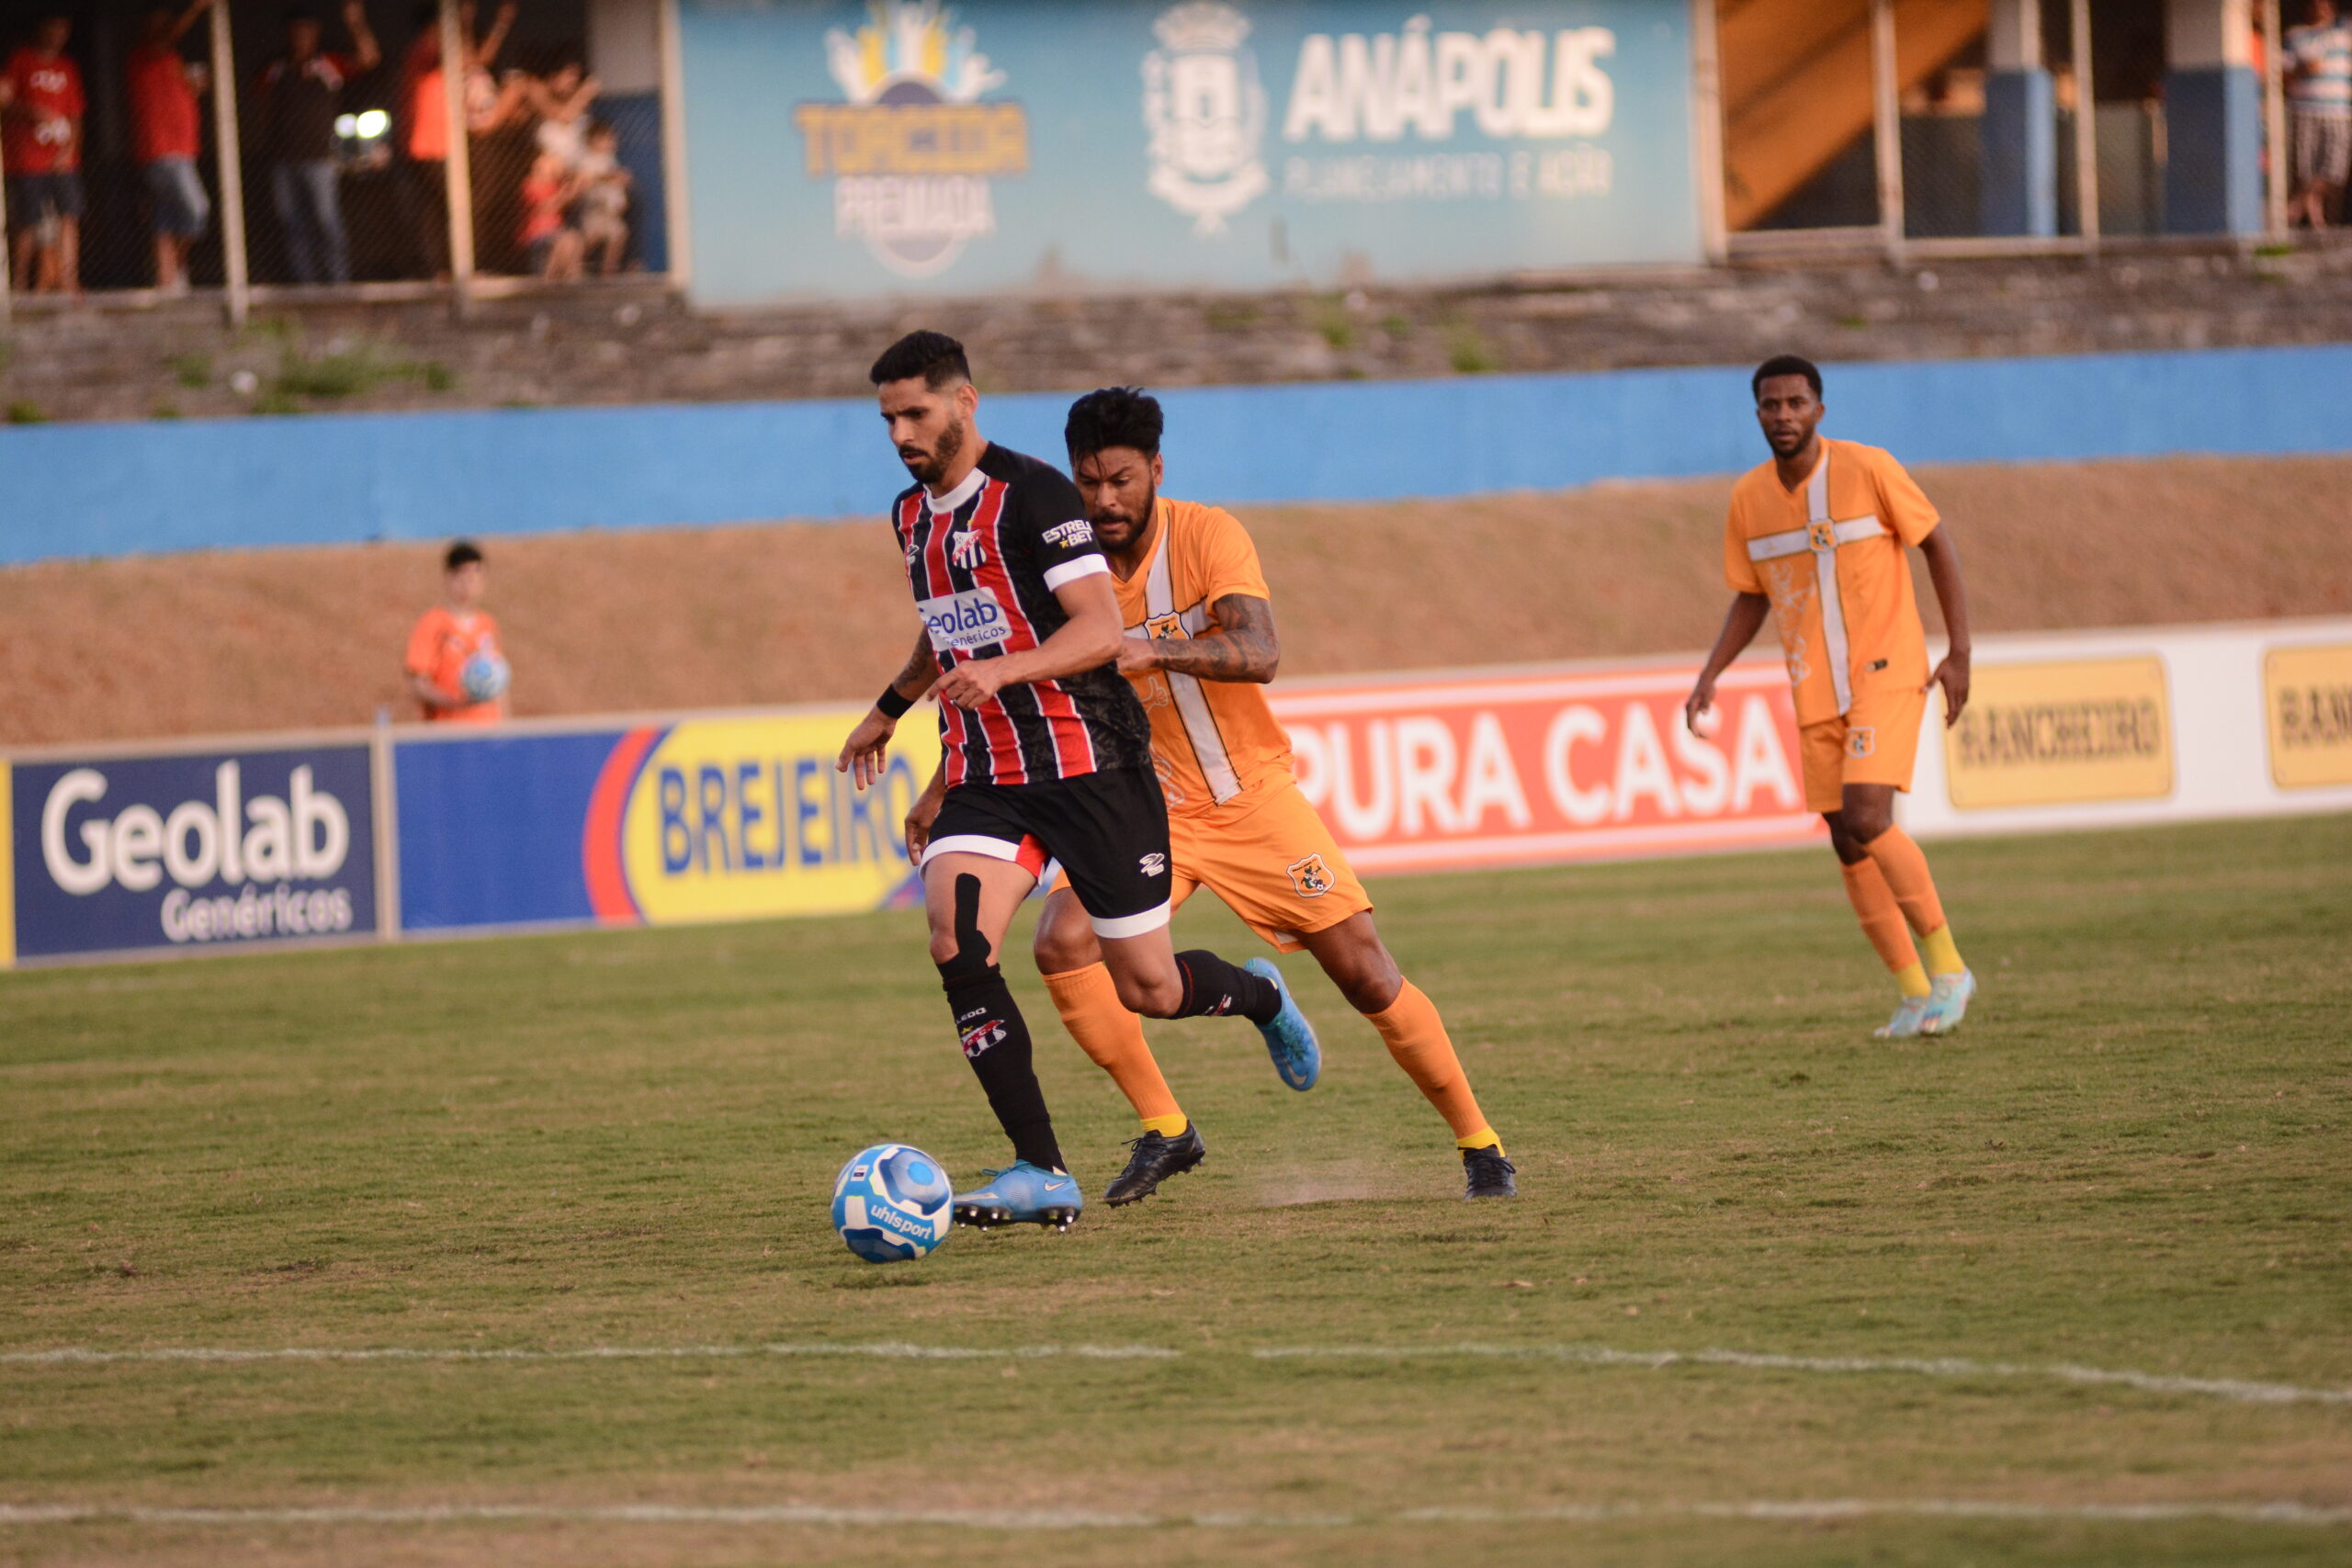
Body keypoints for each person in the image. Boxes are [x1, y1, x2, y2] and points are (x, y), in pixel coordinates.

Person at [920, 386, 1514, 1205]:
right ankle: (1168, 1127)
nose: (1104, 500)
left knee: (1368, 975)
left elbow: (1261, 650)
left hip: (1253, 798)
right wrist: (940, 782)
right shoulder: (1061, 566)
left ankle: (1481, 1145)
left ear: (1156, 468)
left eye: (1122, 479)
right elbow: (1010, 683)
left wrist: (1147, 648)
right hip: (1143, 807)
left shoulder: (1206, 536)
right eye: (1088, 482)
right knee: (1061, 942)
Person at [835, 332, 1322, 1234]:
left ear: (964, 402)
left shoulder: (1037, 496)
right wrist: (891, 707)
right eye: (888, 418)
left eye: (916, 412)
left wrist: (1009, 671)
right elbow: (946, 627)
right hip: (991, 776)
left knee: (1148, 988)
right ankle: (1041, 1169)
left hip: (1095, 766)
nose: (901, 432)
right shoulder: (911, 516)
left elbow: (1098, 629)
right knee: (954, 940)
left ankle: (1258, 994)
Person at [1686, 355, 1977, 1041]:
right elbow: (1751, 595)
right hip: (1814, 685)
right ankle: (1912, 991)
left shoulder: (1869, 468)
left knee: (1868, 814)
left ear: (1820, 408)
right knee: (1846, 840)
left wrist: (1959, 649)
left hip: (1887, 670)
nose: (1783, 415)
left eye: (1795, 402)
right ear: (1756, 413)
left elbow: (1936, 543)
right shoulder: (1749, 499)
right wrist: (1711, 673)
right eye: (1770, 405)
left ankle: (1951, 968)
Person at [256, 0, 380, 285]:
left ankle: (338, 282)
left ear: (315, 33)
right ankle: (307, 285)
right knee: (293, 226)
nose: (301, 36)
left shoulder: (328, 64)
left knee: (327, 223)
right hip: (283, 160)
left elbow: (369, 59)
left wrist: (356, 23)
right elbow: (261, 106)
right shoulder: (276, 68)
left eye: (306, 30)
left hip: (320, 158)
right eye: (296, 30)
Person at [397, 0, 521, 278]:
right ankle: (460, 268)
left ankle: (440, 270)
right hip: (429, 143)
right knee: (463, 202)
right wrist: (483, 23)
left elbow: (473, 59)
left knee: (436, 208)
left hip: (438, 142)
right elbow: (473, 59)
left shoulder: (428, 52)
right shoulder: (425, 50)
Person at [126, 0, 216, 295]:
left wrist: (196, 86)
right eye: (158, 24)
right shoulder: (143, 56)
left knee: (165, 219)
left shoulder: (174, 60)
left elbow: (188, 88)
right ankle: (176, 269)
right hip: (161, 151)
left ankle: (166, 280)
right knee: (197, 209)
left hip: (183, 149)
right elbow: (165, 40)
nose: (164, 29)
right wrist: (195, 9)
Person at [1, 12, 85, 296]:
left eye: (63, 29)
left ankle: (68, 280)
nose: (58, 34)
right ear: (42, 28)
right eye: (53, 27)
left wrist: (69, 150)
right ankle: (20, 284)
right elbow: (5, 100)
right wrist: (31, 110)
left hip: (62, 160)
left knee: (68, 216)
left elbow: (76, 115)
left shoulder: (68, 67)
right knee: (28, 221)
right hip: (27, 158)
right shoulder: (21, 61)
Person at [404, 539, 507, 724]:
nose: (469, 583)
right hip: (448, 734)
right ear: (449, 577)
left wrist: (505, 727)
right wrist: (455, 703)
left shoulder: (488, 624)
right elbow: (418, 684)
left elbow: (498, 681)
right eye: (463, 576)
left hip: (487, 731)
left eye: (475, 576)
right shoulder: (432, 623)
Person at [2287, 0, 2352, 228]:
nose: (2320, 9)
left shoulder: (2343, 32)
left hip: (2338, 112)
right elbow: (2282, 76)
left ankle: (2294, 207)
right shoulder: (2296, 35)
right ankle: (2317, 223)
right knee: (2305, 169)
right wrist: (2304, 69)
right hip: (2305, 111)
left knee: (2335, 171)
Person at [572, 119, 629, 275]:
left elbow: (615, 186)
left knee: (619, 235)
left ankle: (608, 270)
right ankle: (574, 265)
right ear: (592, 141)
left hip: (609, 211)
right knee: (592, 238)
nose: (609, 143)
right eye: (604, 139)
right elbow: (588, 178)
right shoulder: (587, 159)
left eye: (611, 139)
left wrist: (620, 199)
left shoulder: (610, 159)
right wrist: (610, 177)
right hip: (593, 210)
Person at [517, 147, 581, 277]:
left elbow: (565, 200)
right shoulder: (531, 184)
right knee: (563, 240)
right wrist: (564, 193)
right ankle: (548, 278)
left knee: (573, 239)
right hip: (537, 232)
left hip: (555, 230)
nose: (551, 168)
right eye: (548, 164)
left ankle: (570, 276)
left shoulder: (554, 185)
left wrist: (575, 188)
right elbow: (546, 206)